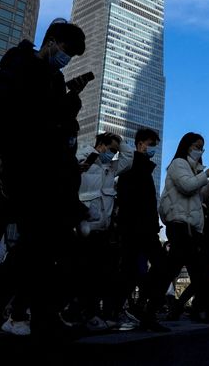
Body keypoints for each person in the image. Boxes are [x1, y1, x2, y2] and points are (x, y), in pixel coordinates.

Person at [0, 19, 91, 339]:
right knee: (34, 243)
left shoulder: (55, 78)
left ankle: (40, 311)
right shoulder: (20, 64)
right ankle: (9, 310)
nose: (67, 58)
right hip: (24, 166)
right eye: (67, 51)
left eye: (72, 56)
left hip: (49, 170)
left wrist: (72, 95)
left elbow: (58, 118)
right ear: (52, 41)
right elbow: (0, 107)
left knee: (50, 245)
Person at [137, 132, 209, 331]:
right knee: (175, 270)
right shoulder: (178, 164)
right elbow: (186, 186)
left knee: (196, 272)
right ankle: (152, 312)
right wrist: (206, 174)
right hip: (179, 225)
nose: (199, 150)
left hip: (192, 228)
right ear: (186, 146)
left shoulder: (196, 169)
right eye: (196, 146)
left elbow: (204, 198)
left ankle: (206, 311)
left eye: (202, 147)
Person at [73, 131, 133, 331]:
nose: (114, 154)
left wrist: (121, 142)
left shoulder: (110, 168)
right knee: (84, 273)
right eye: (112, 149)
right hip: (83, 227)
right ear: (102, 144)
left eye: (116, 151)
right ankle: (84, 313)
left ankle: (93, 314)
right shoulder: (82, 156)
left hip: (103, 228)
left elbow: (128, 159)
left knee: (100, 274)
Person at [113, 128, 161, 330]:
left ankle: (132, 309)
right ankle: (126, 310)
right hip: (137, 228)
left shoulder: (144, 168)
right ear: (140, 143)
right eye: (151, 145)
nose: (153, 150)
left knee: (131, 271)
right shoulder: (132, 166)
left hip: (144, 228)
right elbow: (130, 200)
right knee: (140, 269)